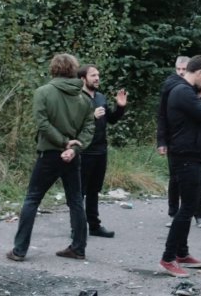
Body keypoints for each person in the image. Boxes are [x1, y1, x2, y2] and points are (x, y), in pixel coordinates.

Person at [7, 53, 94, 261]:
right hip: (72, 156)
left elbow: (43, 123)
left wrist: (64, 143)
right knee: (75, 201)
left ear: (53, 69)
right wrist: (74, 149)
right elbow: (90, 128)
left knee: (32, 199)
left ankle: (19, 250)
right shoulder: (84, 98)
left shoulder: (43, 92)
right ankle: (79, 247)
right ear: (74, 70)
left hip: (49, 154)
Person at [158, 55, 201, 278]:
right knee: (187, 208)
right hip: (186, 156)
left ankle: (182, 253)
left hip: (193, 155)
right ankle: (168, 258)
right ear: (199, 73)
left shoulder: (185, 91)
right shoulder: (183, 92)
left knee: (188, 207)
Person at [77, 64, 127, 238]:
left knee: (94, 190)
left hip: (100, 150)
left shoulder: (100, 97)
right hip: (84, 151)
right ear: (83, 79)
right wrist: (91, 116)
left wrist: (120, 107)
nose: (97, 78)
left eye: (98, 75)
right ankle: (77, 227)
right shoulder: (77, 98)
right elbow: (71, 123)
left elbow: (111, 120)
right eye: (93, 75)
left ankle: (94, 226)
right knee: (79, 192)